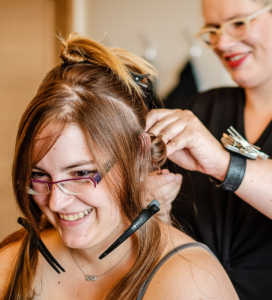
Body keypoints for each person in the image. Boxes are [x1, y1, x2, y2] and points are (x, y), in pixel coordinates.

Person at [0, 34, 238, 300]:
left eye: (81, 173)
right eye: (39, 175)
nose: (55, 202)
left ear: (138, 157)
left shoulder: (191, 282)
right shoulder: (11, 264)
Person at [146, 0, 272, 299]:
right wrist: (157, 213)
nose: (222, 42)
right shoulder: (201, 109)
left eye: (239, 23)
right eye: (213, 29)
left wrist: (225, 165)